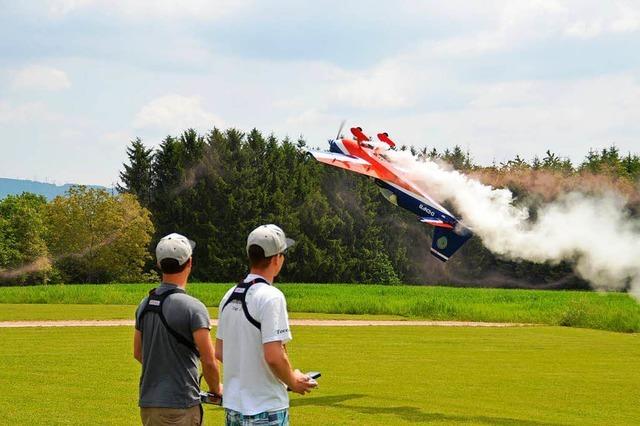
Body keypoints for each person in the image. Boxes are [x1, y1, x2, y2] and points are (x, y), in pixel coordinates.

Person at [216, 224, 317, 425]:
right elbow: (274, 356)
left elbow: (220, 351)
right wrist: (293, 381)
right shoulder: (272, 297)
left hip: (234, 409)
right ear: (276, 259)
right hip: (266, 409)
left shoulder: (229, 295)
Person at [134, 233, 222, 426]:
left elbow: (139, 353)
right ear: (189, 262)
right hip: (180, 405)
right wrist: (217, 389)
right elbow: (209, 360)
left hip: (148, 405)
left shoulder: (144, 304)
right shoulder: (193, 308)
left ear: (159, 264)